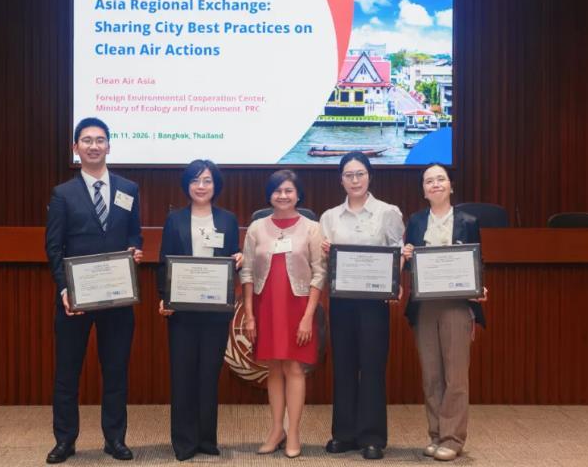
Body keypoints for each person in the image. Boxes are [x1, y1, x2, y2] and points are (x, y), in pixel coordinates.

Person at [44, 117, 143, 464]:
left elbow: (134, 234)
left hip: (117, 297)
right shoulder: (62, 194)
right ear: (76, 148)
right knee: (67, 372)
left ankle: (115, 439)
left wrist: (135, 250)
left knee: (115, 371)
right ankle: (65, 441)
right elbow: (53, 247)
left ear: (109, 146)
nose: (94, 146)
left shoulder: (129, 189)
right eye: (86, 140)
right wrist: (63, 289)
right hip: (76, 299)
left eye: (100, 140)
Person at [319, 152, 405, 460]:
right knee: (343, 365)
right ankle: (344, 434)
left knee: (371, 367)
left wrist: (394, 282)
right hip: (341, 301)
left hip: (373, 303)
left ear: (369, 176)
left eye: (360, 174)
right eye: (348, 175)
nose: (354, 180)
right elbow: (323, 262)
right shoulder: (329, 217)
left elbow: (397, 252)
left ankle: (372, 436)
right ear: (340, 180)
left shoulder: (388, 212)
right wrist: (325, 253)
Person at [156, 160, 243, 461]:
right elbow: (164, 261)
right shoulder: (175, 220)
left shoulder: (228, 220)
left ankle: (206, 439)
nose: (201, 186)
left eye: (207, 180)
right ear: (187, 185)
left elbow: (232, 259)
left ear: (215, 185)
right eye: (195, 180)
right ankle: (184, 441)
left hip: (215, 310)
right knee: (182, 375)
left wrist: (239, 258)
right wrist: (164, 298)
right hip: (182, 311)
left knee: (209, 374)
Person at [401, 163, 487, 462]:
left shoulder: (468, 221)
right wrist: (407, 256)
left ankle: (453, 438)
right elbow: (410, 267)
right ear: (423, 190)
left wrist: (479, 287)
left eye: (441, 179)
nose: (435, 184)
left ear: (451, 186)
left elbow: (477, 261)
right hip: (424, 306)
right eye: (429, 181)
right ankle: (436, 434)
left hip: (456, 305)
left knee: (455, 375)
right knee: (432, 375)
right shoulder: (415, 221)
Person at [240, 169, 326, 459]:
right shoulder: (256, 228)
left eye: (289, 190)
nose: (283, 195)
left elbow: (319, 273)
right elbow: (247, 272)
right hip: (265, 305)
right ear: (270, 195)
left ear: (298, 195)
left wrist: (308, 317)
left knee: (294, 368)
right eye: (277, 190)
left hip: (298, 307)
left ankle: (294, 431)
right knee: (273, 368)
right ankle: (276, 430)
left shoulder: (312, 228)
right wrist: (249, 314)